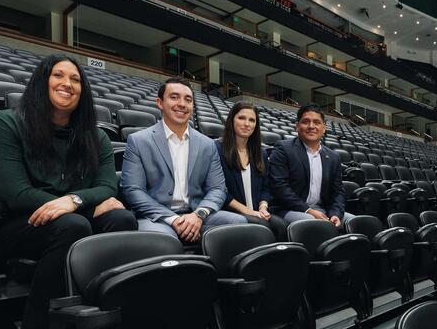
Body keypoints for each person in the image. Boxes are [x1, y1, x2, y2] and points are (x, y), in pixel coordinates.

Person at [0, 54, 137, 329]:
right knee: (73, 226)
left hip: (70, 221)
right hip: (13, 224)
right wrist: (85, 206)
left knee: (122, 220)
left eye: (75, 79)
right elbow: (17, 194)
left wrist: (74, 200)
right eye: (58, 75)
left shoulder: (97, 137)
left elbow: (108, 186)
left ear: (84, 90)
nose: (67, 83)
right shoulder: (5, 123)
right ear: (41, 81)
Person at [121, 78, 246, 245]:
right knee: (164, 241)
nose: (182, 104)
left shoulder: (207, 144)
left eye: (188, 99)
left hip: (197, 212)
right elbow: (132, 190)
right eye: (174, 97)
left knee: (240, 225)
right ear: (160, 103)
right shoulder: (138, 141)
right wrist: (173, 220)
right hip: (156, 217)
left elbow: (218, 188)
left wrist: (199, 215)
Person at [268, 104, 349, 227]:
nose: (311, 126)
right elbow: (279, 187)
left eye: (317, 122)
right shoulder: (283, 149)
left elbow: (338, 192)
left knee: (356, 222)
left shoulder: (333, 157)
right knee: (317, 225)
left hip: (323, 210)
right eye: (306, 122)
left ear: (324, 128)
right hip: (290, 209)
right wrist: (309, 210)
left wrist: (336, 214)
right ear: (297, 126)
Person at [216, 102, 287, 239]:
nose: (247, 124)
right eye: (241, 118)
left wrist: (263, 207)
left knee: (282, 226)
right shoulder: (217, 149)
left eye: (252, 120)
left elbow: (266, 188)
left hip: (257, 211)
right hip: (231, 212)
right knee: (264, 228)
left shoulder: (261, 153)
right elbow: (219, 190)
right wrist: (248, 211)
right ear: (232, 120)